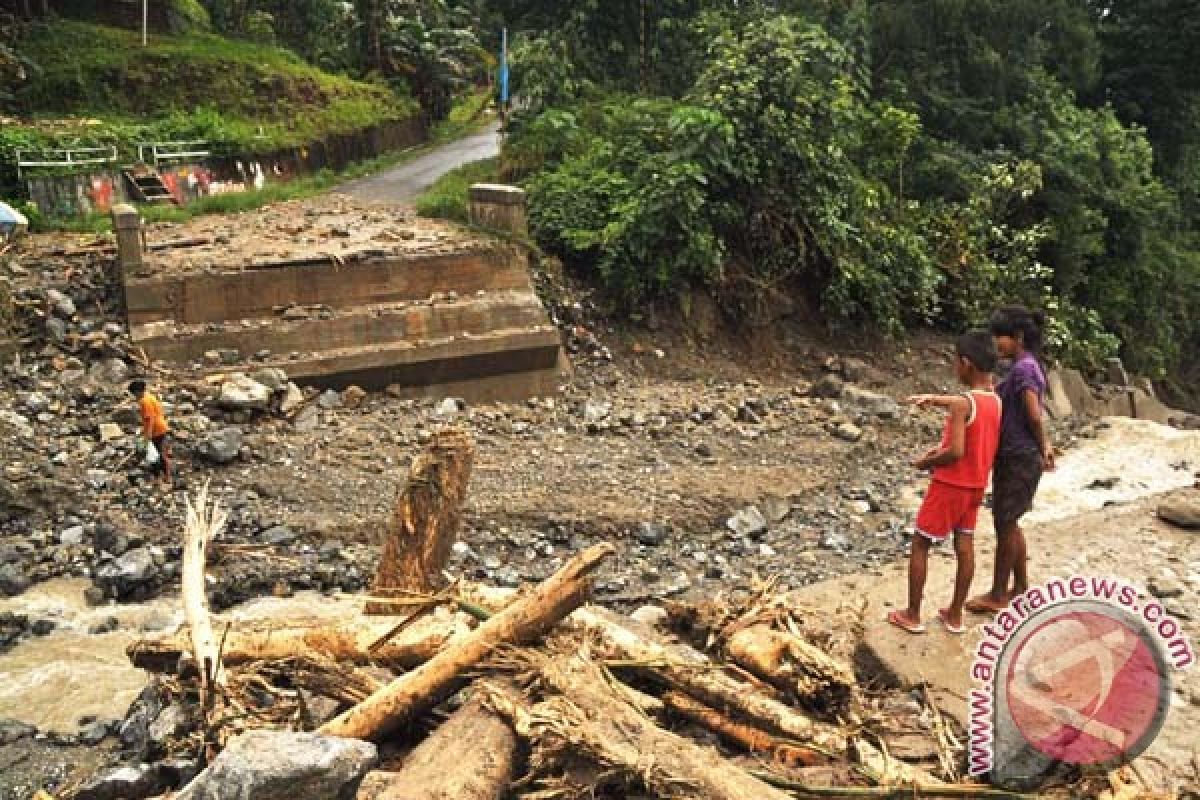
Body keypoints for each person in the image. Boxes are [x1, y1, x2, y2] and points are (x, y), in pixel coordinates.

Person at [888, 331, 1001, 635]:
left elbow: (955, 451)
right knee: (964, 547)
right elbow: (966, 407)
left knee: (921, 543)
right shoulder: (995, 400)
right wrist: (935, 400)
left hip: (950, 485)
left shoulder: (962, 404)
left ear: (966, 364)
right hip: (976, 486)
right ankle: (954, 615)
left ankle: (912, 614)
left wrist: (927, 462)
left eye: (955, 362)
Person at [967, 307, 1054, 614]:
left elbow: (1033, 412)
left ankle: (998, 595)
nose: (995, 344)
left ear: (1017, 337)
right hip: (1018, 456)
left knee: (1005, 523)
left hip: (1019, 456)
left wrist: (1044, 446)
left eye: (999, 337)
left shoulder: (1024, 370)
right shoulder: (1025, 367)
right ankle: (1019, 587)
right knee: (1011, 521)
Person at [128, 379, 172, 488]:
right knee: (160, 453)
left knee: (157, 454)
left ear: (138, 391)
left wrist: (147, 435)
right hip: (160, 427)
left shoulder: (144, 401)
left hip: (156, 430)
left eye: (134, 394)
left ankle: (162, 477)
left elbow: (150, 419)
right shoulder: (150, 397)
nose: (134, 396)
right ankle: (165, 476)